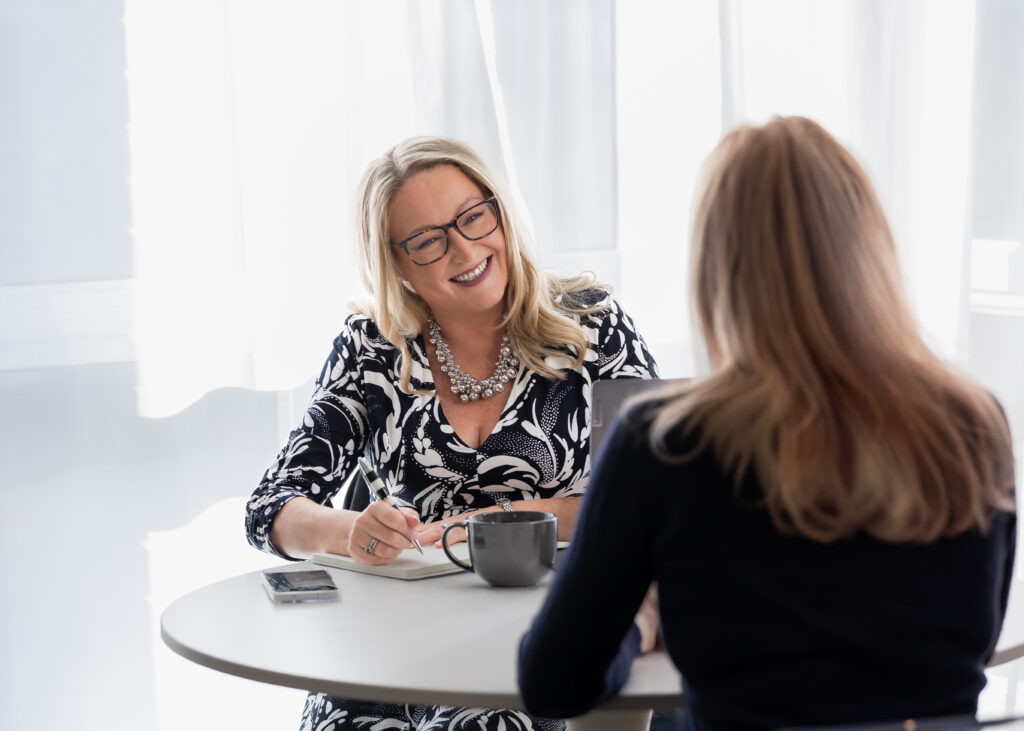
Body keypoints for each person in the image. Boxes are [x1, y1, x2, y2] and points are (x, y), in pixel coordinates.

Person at [517, 116, 1017, 729]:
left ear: (715, 269)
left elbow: (554, 682)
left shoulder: (663, 445)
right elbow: (973, 643)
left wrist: (642, 622)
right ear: (873, 249)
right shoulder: (973, 424)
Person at [245, 135, 657, 731]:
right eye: (429, 241)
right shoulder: (372, 349)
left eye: (473, 217)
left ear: (499, 211)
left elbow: (650, 499)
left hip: (537, 633)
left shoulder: (592, 325)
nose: (465, 249)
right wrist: (352, 530)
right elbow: (271, 507)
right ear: (398, 265)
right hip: (392, 645)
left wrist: (493, 523)